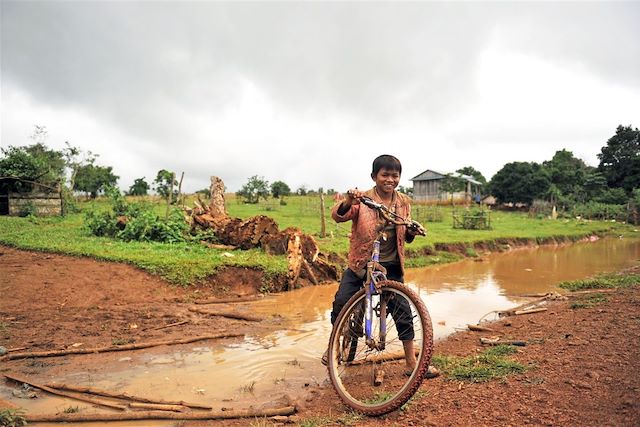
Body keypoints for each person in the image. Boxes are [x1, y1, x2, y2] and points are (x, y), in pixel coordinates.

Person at [323, 154, 438, 378]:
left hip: (391, 265)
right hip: (362, 263)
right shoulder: (362, 199)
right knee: (341, 303)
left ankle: (410, 363)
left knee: (403, 311)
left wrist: (412, 232)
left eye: (395, 176)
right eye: (385, 175)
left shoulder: (403, 201)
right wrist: (349, 200)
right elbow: (339, 215)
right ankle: (333, 349)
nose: (390, 180)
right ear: (374, 176)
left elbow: (405, 234)